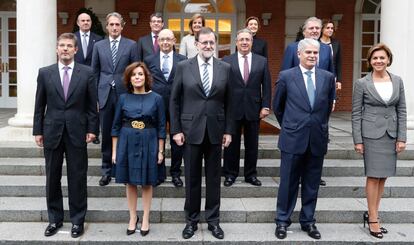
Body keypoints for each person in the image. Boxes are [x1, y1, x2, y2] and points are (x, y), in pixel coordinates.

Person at [170, 27, 233, 240]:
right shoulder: (182, 67)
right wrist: (176, 129)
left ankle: (214, 221)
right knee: (192, 178)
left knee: (214, 179)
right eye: (204, 42)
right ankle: (192, 221)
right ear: (196, 44)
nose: (208, 46)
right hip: (189, 132)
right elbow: (175, 100)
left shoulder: (225, 68)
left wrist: (229, 131)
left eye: (211, 43)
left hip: (216, 131)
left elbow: (229, 102)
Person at [33, 33, 99, 238]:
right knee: (52, 177)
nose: (65, 49)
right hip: (52, 131)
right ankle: (55, 219)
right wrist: (38, 130)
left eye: (69, 46)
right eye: (61, 45)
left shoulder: (87, 73)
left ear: (76, 50)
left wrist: (92, 130)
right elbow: (39, 104)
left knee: (77, 177)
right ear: (56, 49)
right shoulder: (45, 73)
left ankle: (78, 220)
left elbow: (91, 106)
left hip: (77, 131)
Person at [273, 38, 336, 240]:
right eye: (308, 52)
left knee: (312, 184)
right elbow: (278, 107)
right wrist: (290, 126)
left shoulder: (327, 77)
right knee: (288, 183)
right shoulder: (286, 76)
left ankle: (308, 221)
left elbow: (326, 108)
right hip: (292, 138)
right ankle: (282, 220)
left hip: (317, 138)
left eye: (315, 53)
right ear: (299, 54)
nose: (312, 56)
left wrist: (318, 126)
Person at [351, 43, 406, 239]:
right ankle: (373, 218)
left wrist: (401, 137)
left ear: (388, 60)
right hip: (371, 135)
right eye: (375, 58)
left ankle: (373, 212)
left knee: (383, 177)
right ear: (370, 61)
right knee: (373, 176)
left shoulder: (398, 81)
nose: (379, 61)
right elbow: (356, 113)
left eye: (382, 58)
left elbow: (401, 110)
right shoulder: (362, 83)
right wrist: (358, 140)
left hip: (390, 135)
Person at [112, 62, 166, 236]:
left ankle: (146, 218)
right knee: (130, 181)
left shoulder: (157, 98)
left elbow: (161, 127)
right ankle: (133, 217)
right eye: (134, 74)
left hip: (149, 140)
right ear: (129, 78)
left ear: (146, 77)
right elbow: (115, 126)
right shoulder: (123, 98)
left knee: (148, 182)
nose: (137, 77)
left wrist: (160, 150)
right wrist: (114, 151)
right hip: (127, 141)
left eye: (140, 74)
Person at [280, 16, 335, 187]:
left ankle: (314, 176)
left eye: (317, 28)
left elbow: (331, 75)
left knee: (317, 141)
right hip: (297, 109)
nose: (314, 31)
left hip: (319, 106)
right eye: (310, 28)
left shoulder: (326, 50)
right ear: (303, 31)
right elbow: (284, 81)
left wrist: (331, 98)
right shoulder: (292, 48)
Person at [92, 12, 138, 186]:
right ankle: (106, 170)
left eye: (117, 25)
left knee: (125, 132)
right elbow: (94, 73)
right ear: (107, 26)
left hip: (125, 95)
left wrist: (134, 97)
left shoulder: (132, 45)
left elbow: (136, 72)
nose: (114, 28)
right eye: (111, 24)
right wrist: (94, 98)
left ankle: (123, 169)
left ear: (122, 26)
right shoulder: (99, 46)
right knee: (106, 134)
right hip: (104, 95)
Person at [222, 28, 271, 187]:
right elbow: (222, 87)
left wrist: (265, 106)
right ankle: (230, 174)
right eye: (241, 39)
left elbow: (267, 86)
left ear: (252, 42)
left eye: (247, 40)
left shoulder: (261, 61)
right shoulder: (226, 61)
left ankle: (251, 174)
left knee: (252, 145)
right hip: (232, 110)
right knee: (232, 145)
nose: (244, 42)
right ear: (236, 43)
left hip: (253, 109)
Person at [144, 29, 187, 187]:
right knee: (155, 139)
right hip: (155, 106)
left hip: (177, 106)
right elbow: (146, 82)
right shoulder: (149, 60)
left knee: (177, 141)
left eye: (168, 39)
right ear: (158, 41)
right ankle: (158, 173)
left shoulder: (183, 60)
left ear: (174, 40)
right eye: (162, 39)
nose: (165, 42)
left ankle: (176, 173)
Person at [319, 19, 342, 90]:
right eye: (328, 28)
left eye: (332, 28)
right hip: (318, 75)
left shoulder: (336, 44)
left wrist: (339, 80)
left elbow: (338, 63)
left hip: (332, 76)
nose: (330, 30)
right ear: (322, 29)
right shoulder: (316, 43)